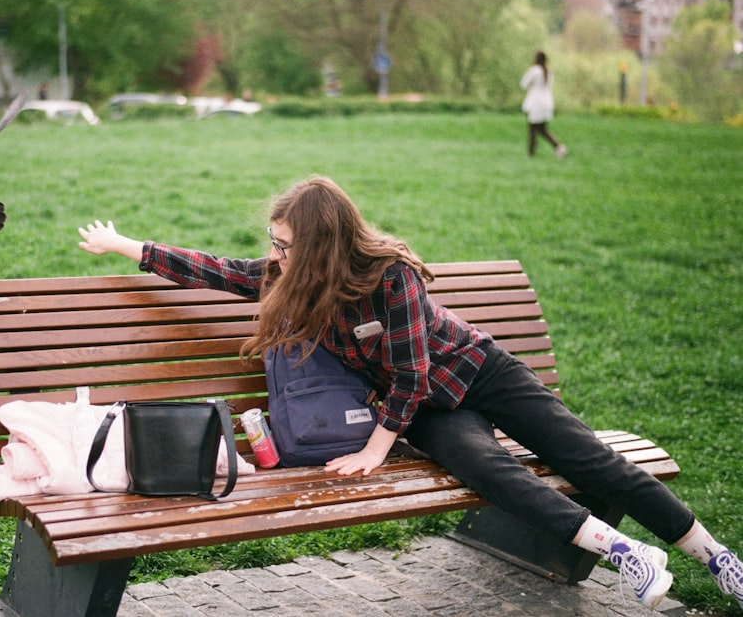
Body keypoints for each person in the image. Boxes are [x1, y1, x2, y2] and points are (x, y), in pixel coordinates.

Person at [77, 175, 742, 611]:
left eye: (283, 243)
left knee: (586, 454)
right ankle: (623, 552)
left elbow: (414, 372)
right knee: (488, 468)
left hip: (475, 371)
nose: (272, 254)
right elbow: (216, 271)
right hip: (421, 411)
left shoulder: (389, 275)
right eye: (272, 242)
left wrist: (373, 449)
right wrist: (127, 245)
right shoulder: (294, 279)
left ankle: (716, 558)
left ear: (321, 242)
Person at [521, 51, 567, 158]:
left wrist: (531, 85)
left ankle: (530, 153)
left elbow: (523, 84)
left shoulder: (534, 71)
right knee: (541, 129)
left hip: (535, 102)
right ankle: (558, 148)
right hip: (546, 102)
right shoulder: (548, 72)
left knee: (533, 128)